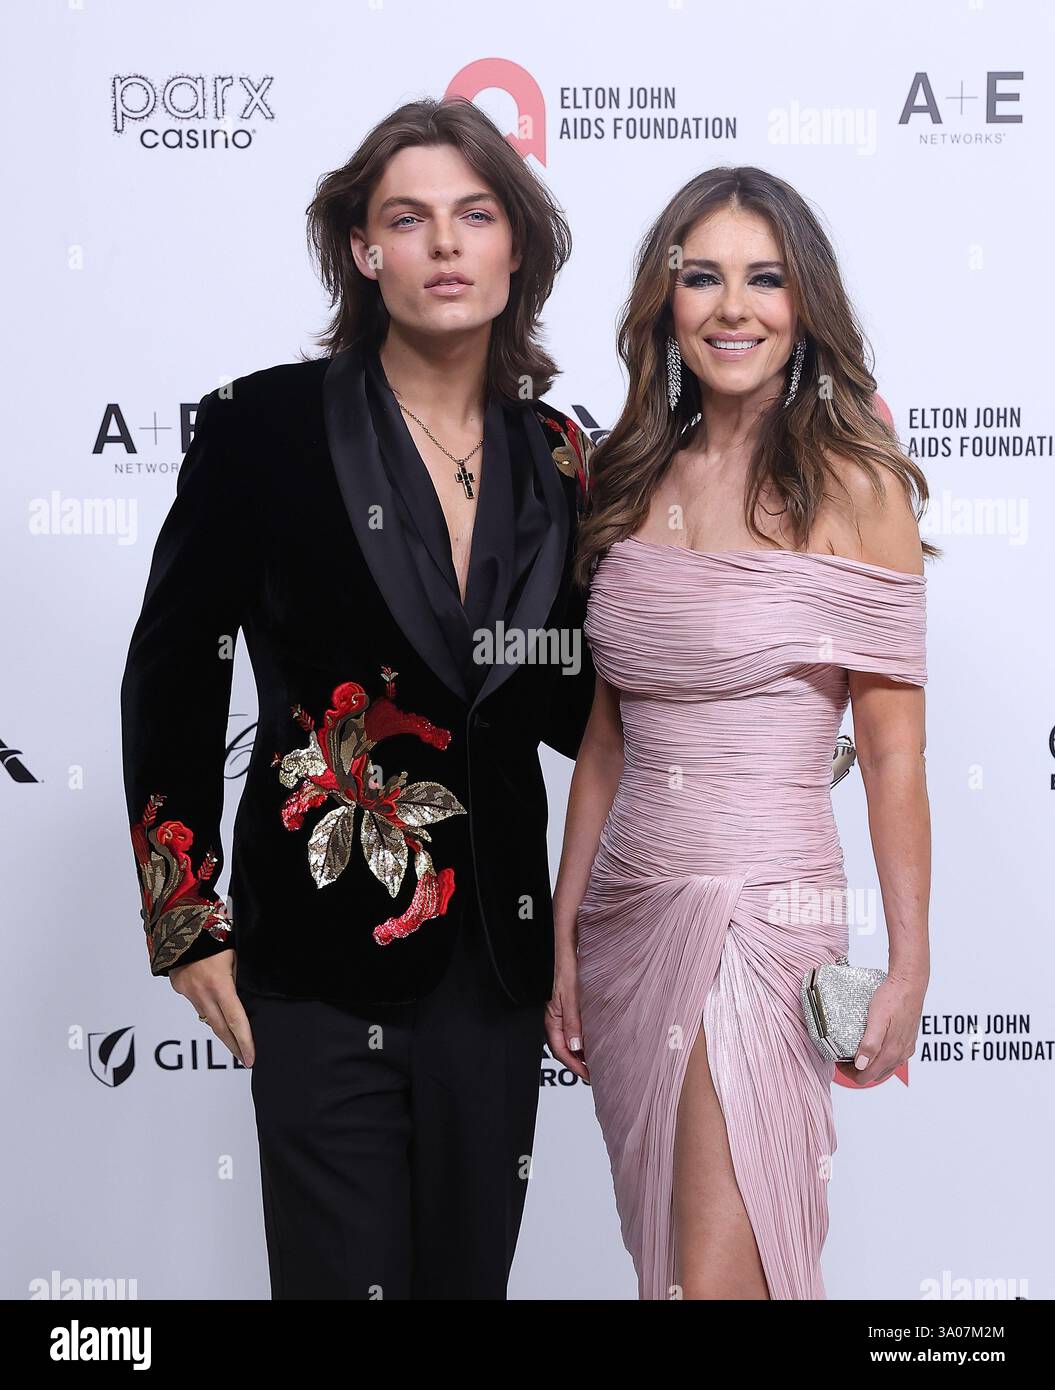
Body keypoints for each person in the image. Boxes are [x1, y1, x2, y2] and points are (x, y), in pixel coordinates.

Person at [120, 96, 596, 1300]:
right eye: (409, 218)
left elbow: (561, 697)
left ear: (514, 249)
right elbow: (177, 667)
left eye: (474, 214)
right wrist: (185, 912)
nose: (444, 244)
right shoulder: (260, 429)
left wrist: (756, 717)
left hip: (496, 967)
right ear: (362, 249)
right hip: (318, 954)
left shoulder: (556, 455)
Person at [545, 166, 934, 1300]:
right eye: (701, 277)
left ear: (802, 303)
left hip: (761, 913)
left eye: (763, 279)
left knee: (721, 1275)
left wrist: (906, 961)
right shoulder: (626, 477)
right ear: (663, 304)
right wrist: (566, 933)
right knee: (664, 1265)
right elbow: (606, 745)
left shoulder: (856, 487)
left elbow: (895, 755)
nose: (732, 307)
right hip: (625, 916)